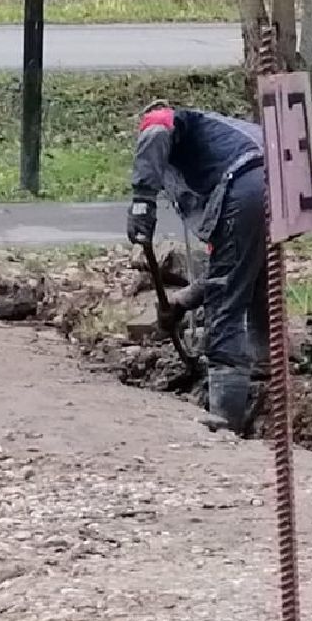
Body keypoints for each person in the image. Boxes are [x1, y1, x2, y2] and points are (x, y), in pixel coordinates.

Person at [125, 100, 267, 435]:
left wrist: (142, 202)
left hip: (249, 186)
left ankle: (225, 417)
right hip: (287, 185)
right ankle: (267, 363)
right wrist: (181, 302)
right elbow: (233, 267)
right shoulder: (225, 135)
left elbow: (157, 126)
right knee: (258, 277)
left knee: (226, 305)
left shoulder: (170, 122)